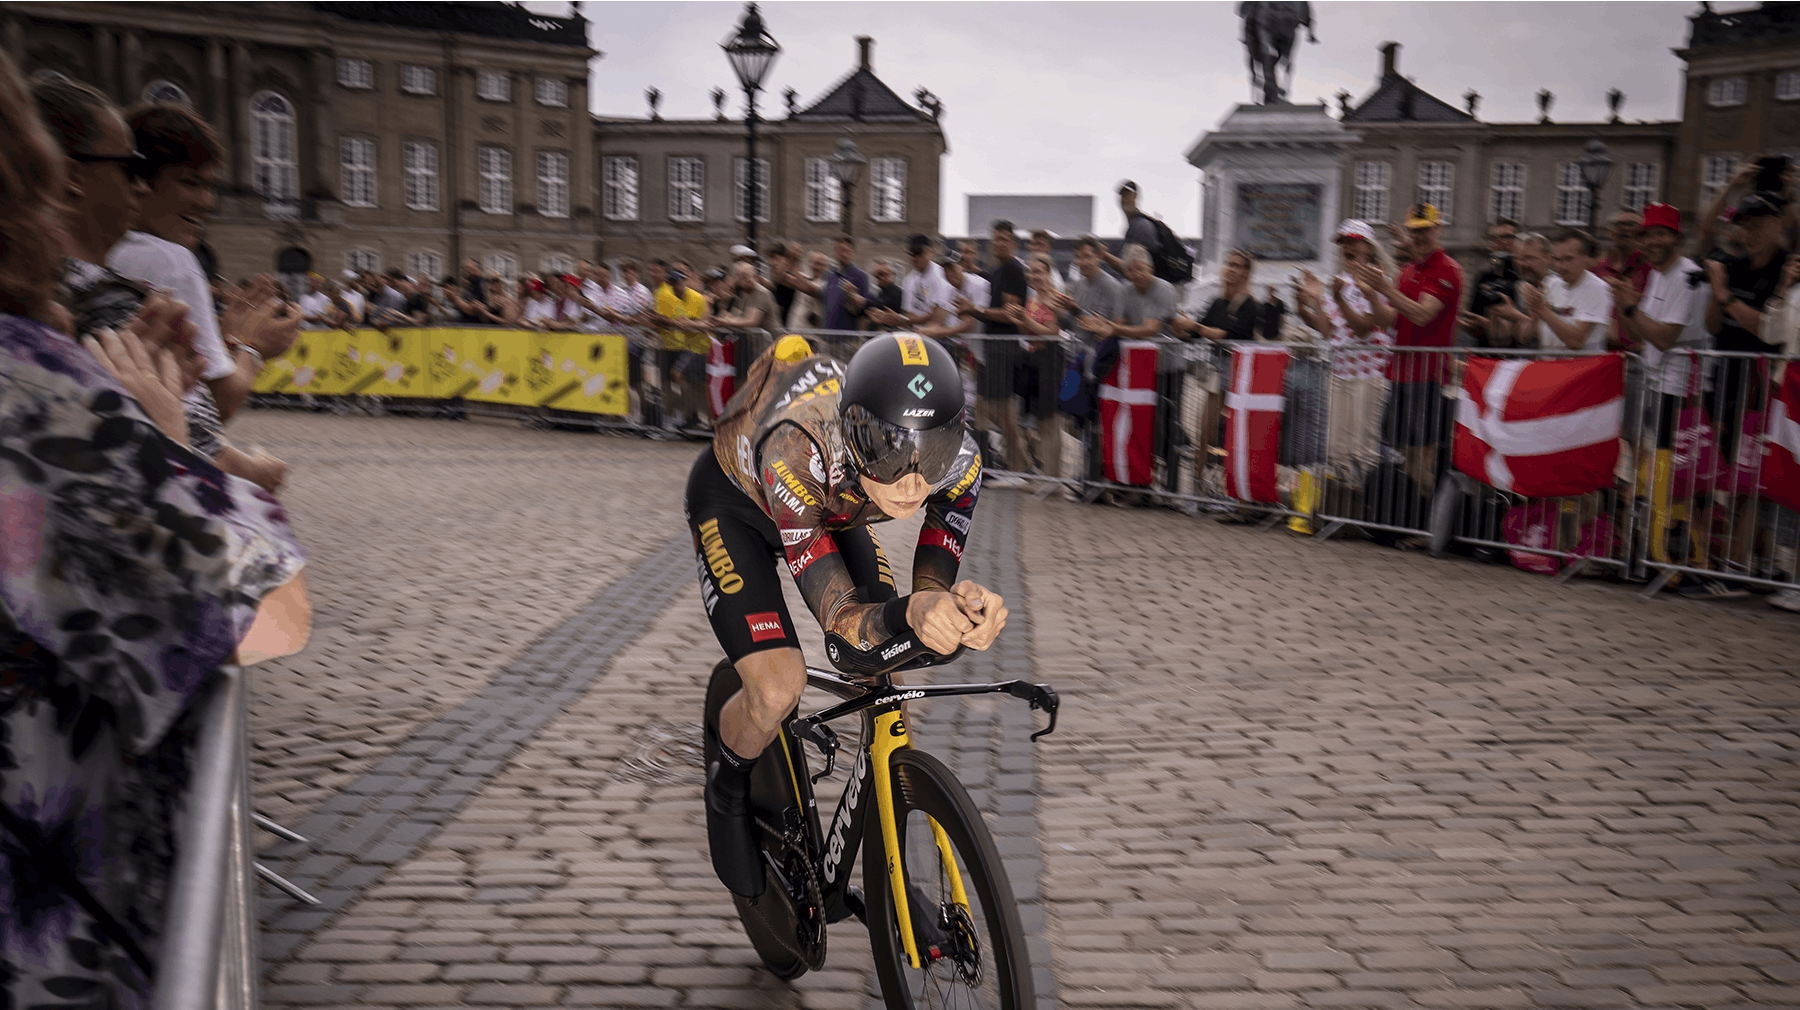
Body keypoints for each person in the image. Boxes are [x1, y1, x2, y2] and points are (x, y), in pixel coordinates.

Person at [0, 48, 310, 1004]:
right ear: (36, 177)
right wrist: (176, 439)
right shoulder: (29, 388)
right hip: (47, 926)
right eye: (116, 170)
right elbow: (269, 616)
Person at [689, 332, 1003, 898]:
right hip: (740, 505)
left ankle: (887, 811)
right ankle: (727, 783)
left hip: (834, 511)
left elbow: (928, 590)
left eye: (929, 453)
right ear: (855, 433)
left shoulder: (961, 464)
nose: (912, 482)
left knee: (888, 673)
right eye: (889, 449)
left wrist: (953, 610)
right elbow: (841, 624)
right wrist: (912, 610)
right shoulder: (798, 447)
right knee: (779, 688)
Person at [1358, 202, 1463, 503]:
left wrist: (1386, 290)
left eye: (1425, 230)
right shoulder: (1408, 270)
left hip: (1429, 373)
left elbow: (1422, 315)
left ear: (1438, 229)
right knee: (1403, 449)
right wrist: (1371, 295)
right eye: (1414, 231)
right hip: (1402, 371)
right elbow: (1386, 319)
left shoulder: (1447, 269)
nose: (1419, 237)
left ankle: (1429, 520)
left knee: (1425, 451)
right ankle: (1415, 517)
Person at [1295, 220, 1397, 481]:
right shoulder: (1340, 282)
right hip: (1341, 372)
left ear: (1367, 247)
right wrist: (1310, 301)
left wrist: (1338, 297)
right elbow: (1327, 330)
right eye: (1343, 242)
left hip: (1368, 372)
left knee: (1363, 449)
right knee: (1336, 449)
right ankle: (1340, 511)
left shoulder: (1377, 278)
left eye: (1353, 241)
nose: (1347, 247)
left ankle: (1366, 511)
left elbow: (1363, 328)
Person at [1108, 244, 1184, 496]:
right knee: (1141, 424)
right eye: (1131, 270)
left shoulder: (1164, 289)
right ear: (1126, 272)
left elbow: (1150, 329)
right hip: (1138, 368)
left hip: (1167, 366)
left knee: (1169, 424)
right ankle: (1141, 480)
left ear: (1150, 269)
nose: (1137, 274)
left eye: (1141, 269)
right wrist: (1116, 328)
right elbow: (1119, 321)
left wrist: (1116, 330)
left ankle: (1171, 486)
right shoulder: (1124, 290)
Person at [1052, 236, 1124, 496]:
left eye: (1087, 256)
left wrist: (1075, 310)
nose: (1083, 261)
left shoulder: (1112, 287)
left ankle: (1099, 478)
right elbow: (1077, 325)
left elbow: (1107, 326)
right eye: (1079, 257)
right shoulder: (1078, 285)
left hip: (1103, 362)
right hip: (1082, 360)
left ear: (1098, 257)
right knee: (1081, 419)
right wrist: (1062, 312)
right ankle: (1089, 475)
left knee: (1098, 422)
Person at [960, 221, 1029, 480]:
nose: (999, 243)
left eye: (1004, 239)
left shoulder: (1014, 271)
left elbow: (1010, 315)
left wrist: (974, 310)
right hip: (990, 351)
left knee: (1004, 413)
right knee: (983, 408)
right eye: (996, 239)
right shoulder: (996, 271)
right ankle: (986, 464)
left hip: (1005, 351)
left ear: (1013, 243)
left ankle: (1019, 466)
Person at [1176, 248, 1260, 456]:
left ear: (1246, 272)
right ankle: (1199, 477)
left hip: (1241, 374)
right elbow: (1198, 332)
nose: (1230, 269)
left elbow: (1231, 335)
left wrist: (1195, 327)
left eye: (1237, 265)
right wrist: (1179, 328)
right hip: (1219, 371)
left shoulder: (1251, 305)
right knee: (1205, 426)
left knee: (1237, 432)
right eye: (1229, 264)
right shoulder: (1217, 302)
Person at [1010, 252, 1069, 481]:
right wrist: (1020, 321)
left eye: (1039, 271)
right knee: (1034, 420)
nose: (1034, 276)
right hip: (1034, 360)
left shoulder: (1055, 298)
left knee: (1050, 420)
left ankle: (1052, 476)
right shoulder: (1032, 301)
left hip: (1052, 361)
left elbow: (1052, 333)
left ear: (1048, 274)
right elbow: (1031, 335)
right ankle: (1043, 472)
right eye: (1031, 271)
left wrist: (1025, 320)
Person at [1527, 229, 1613, 350]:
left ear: (1585, 258)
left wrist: (1542, 310)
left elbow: (1576, 342)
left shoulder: (1598, 288)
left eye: (1568, 259)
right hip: (1549, 365)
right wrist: (1531, 315)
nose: (1561, 266)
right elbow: (1526, 337)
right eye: (1557, 259)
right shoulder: (1551, 283)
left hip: (1582, 367)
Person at [1459, 218, 1519, 347]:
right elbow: (1473, 320)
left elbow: (1530, 327)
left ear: (1517, 241)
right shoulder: (1483, 277)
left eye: (1507, 237)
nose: (1500, 242)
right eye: (1495, 238)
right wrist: (1471, 325)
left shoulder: (1524, 277)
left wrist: (1489, 324)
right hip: (1485, 352)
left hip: (1516, 356)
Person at [1596, 208, 1650, 350]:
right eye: (1618, 225)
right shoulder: (1600, 266)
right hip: (1604, 351)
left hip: (1636, 352)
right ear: (1611, 232)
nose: (1623, 229)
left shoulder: (1649, 267)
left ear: (1640, 233)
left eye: (1630, 224)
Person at [1105, 180, 1162, 274]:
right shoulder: (1135, 223)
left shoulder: (1139, 226)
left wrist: (1104, 255)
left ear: (1136, 197)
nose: (1125, 199)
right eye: (1122, 196)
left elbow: (1130, 269)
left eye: (1128, 195)